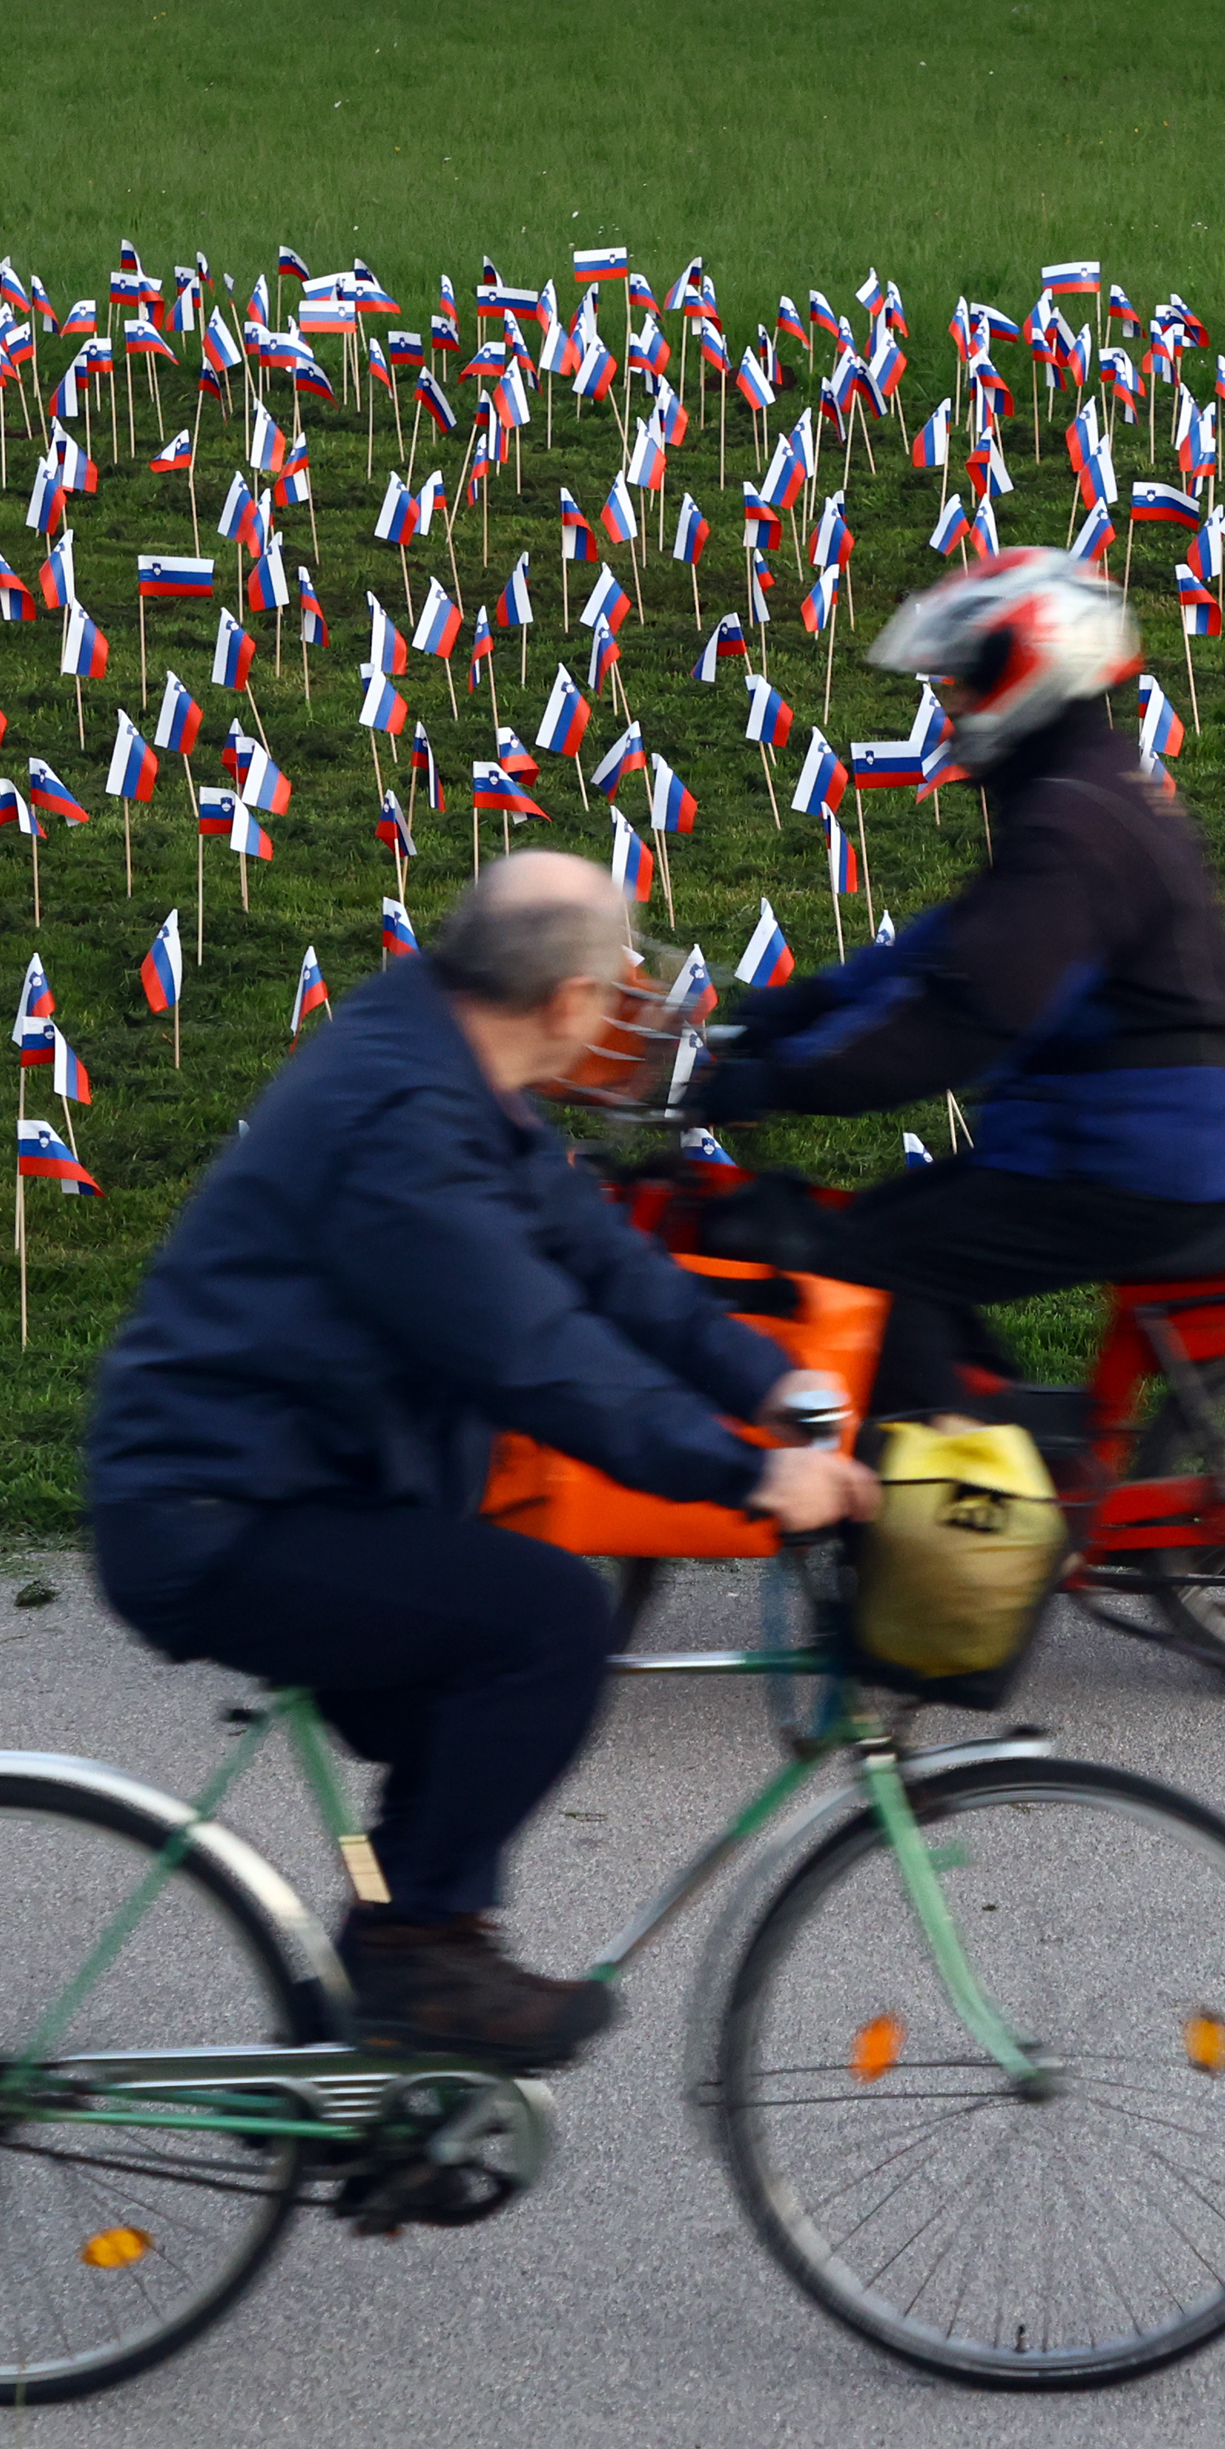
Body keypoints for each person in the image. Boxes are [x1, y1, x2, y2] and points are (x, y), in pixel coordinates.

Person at [84, 850, 882, 2070]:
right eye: (617, 985)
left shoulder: (448, 1063)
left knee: (473, 1711)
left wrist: (772, 1385)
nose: (629, 1008)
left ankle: (385, 2029)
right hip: (220, 1511)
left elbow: (606, 1267)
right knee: (546, 1620)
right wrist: (749, 1475)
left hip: (290, 1483)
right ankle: (420, 1972)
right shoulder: (405, 1123)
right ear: (566, 1001)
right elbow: (537, 1354)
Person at [685, 548, 1225, 1418]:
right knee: (885, 1235)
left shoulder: (1069, 821)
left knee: (865, 1260)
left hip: (1116, 1159)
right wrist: (807, 1006)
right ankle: (999, 1452)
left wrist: (788, 1078)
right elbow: (948, 945)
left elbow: (969, 1014)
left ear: (1028, 670)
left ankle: (967, 1507)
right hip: (1104, 1140)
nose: (949, 704)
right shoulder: (1079, 791)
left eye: (963, 680)